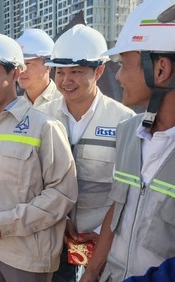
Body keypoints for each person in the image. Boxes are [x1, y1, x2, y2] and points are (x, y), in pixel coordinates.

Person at [0, 32, 78, 282]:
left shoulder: (44, 126)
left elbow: (63, 193)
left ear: (15, 73)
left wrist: (7, 223)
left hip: (28, 256)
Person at [80, 1, 175, 281]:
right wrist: (92, 271)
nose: (118, 75)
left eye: (123, 64)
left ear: (161, 69)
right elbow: (117, 207)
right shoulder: (128, 132)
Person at [38, 24, 135, 282]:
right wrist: (60, 220)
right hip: (55, 233)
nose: (66, 80)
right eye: (60, 72)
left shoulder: (124, 122)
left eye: (76, 72)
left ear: (99, 70)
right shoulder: (43, 118)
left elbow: (126, 192)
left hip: (105, 240)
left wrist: (97, 232)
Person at [16, 28, 61, 107]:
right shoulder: (16, 107)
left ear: (48, 66)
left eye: (27, 63)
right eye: (18, 64)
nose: (21, 70)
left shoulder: (64, 103)